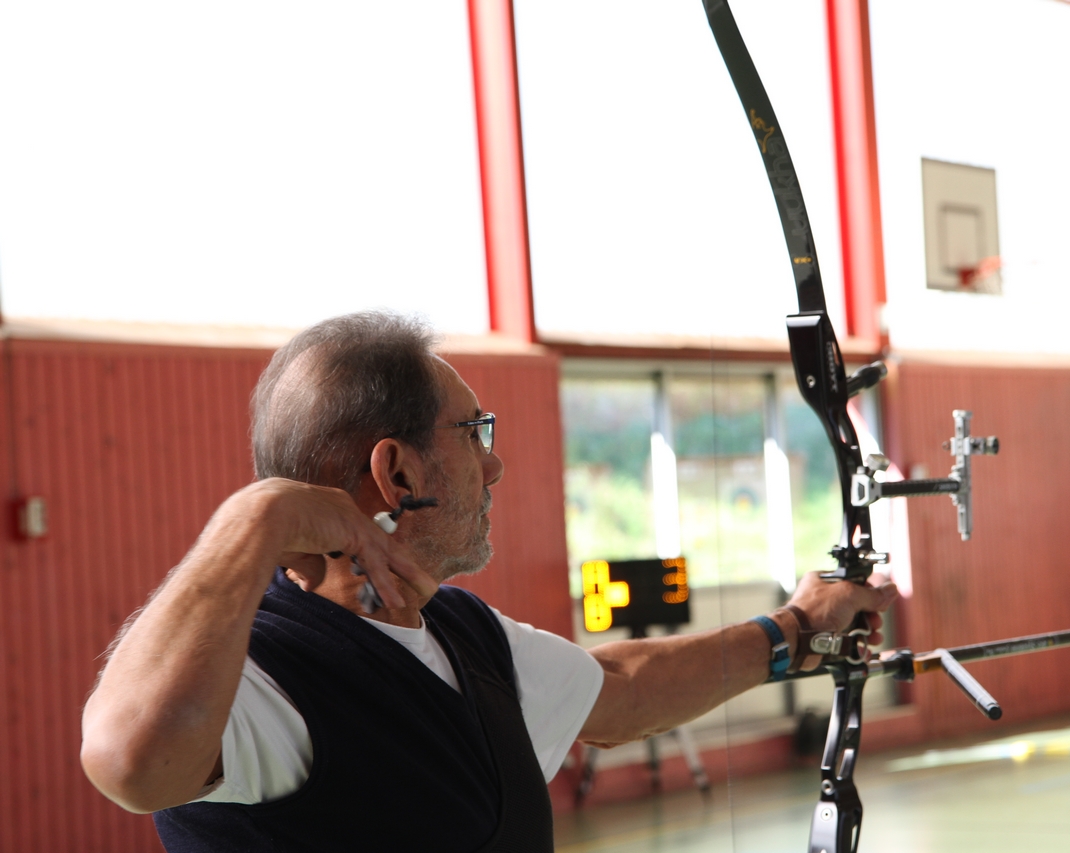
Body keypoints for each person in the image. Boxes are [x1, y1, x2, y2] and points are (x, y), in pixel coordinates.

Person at [80, 311, 897, 852]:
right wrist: (253, 520)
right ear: (395, 471)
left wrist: (796, 630)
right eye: (476, 433)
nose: (495, 462)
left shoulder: (461, 631)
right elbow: (130, 758)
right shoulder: (261, 672)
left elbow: (616, 687)